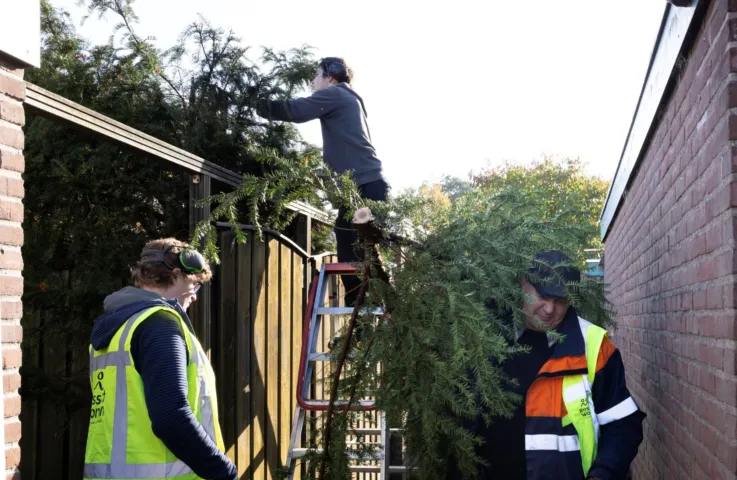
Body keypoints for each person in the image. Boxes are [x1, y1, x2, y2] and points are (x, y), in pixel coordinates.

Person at [475, 250, 645, 480]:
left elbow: (623, 425)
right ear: (524, 284)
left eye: (560, 301)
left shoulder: (593, 346)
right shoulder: (479, 334)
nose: (549, 309)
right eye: (543, 296)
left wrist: (603, 474)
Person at [83, 238, 237, 480]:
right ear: (175, 276)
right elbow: (171, 418)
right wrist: (224, 472)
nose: (194, 296)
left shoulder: (118, 328)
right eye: (193, 285)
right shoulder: (161, 325)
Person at [255, 57, 389, 306]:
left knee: (353, 258)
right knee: (359, 254)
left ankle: (359, 321)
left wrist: (259, 105)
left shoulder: (337, 94)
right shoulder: (350, 99)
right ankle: (365, 321)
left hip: (363, 187)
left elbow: (298, 110)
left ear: (331, 76)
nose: (313, 82)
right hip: (366, 185)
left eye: (316, 76)